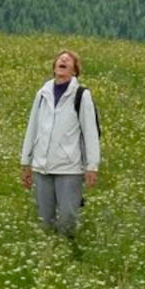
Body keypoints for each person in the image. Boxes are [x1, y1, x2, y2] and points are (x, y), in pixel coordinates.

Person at [20, 49, 100, 237]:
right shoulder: (42, 94)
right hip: (42, 167)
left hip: (69, 169)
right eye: (60, 59)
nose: (63, 60)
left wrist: (92, 166)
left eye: (69, 60)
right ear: (54, 67)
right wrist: (26, 163)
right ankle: (48, 255)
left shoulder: (81, 95)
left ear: (74, 71)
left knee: (67, 218)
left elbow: (90, 132)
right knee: (45, 221)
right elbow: (32, 128)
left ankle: (66, 251)